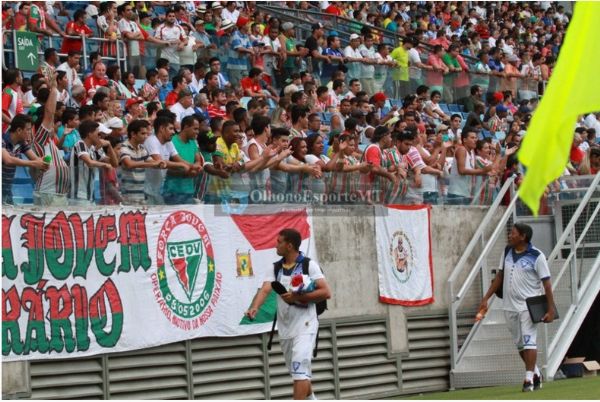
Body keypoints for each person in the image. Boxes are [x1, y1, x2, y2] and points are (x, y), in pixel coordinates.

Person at [245, 228, 331, 400]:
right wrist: (254, 307)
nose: (276, 244)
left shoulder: (309, 265)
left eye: (279, 242)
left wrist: (298, 296)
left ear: (289, 246)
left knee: (299, 372)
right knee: (299, 373)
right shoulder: (275, 268)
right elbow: (265, 290)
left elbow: (326, 292)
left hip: (306, 326)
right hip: (285, 328)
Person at [479, 223, 555, 392]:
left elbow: (547, 285)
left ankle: (528, 379)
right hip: (509, 305)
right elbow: (500, 276)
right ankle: (535, 372)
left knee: (529, 341)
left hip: (528, 306)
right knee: (520, 344)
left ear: (523, 237)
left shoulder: (537, 256)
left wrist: (550, 309)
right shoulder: (507, 251)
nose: (509, 236)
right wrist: (486, 298)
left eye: (513, 233)